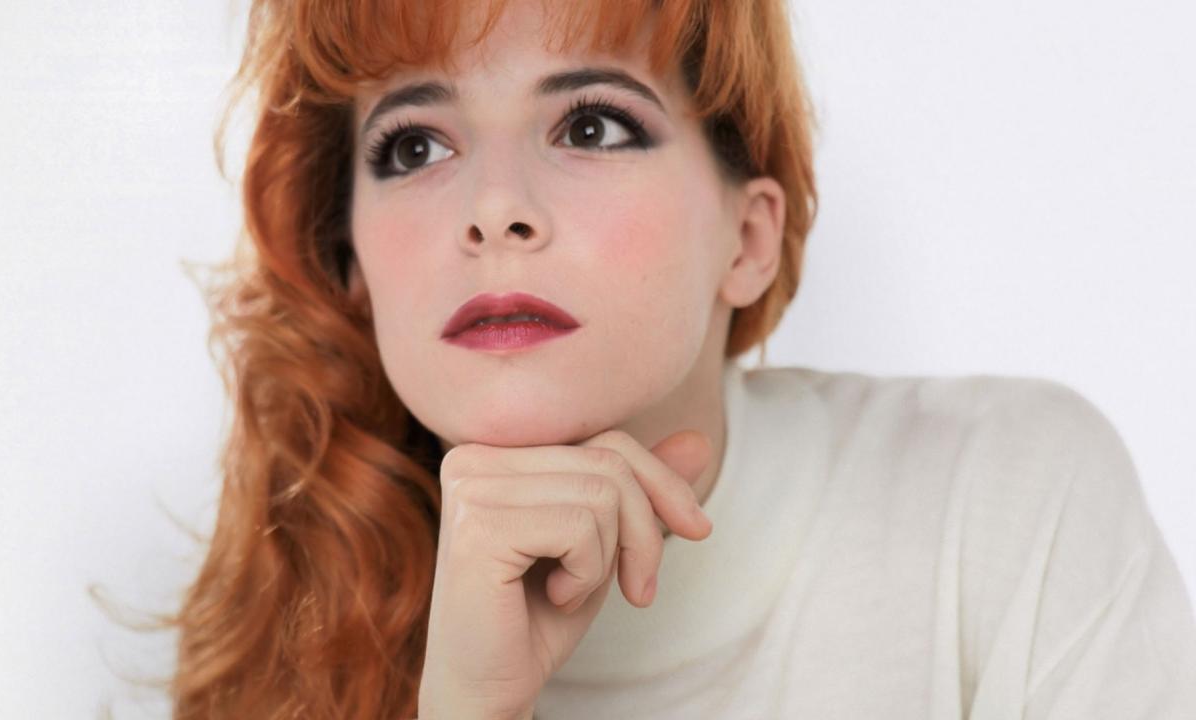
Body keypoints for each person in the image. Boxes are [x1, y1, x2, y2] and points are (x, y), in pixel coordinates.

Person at [164, 0, 1196, 717]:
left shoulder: (1003, 497)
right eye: (414, 147)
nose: (494, 209)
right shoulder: (287, 630)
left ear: (746, 240)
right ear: (351, 264)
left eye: (591, 126)